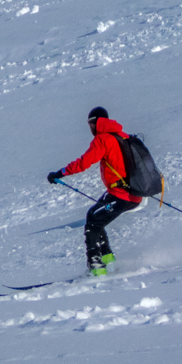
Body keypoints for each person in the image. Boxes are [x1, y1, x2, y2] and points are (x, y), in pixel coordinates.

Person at [47, 106, 142, 275]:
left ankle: (96, 267)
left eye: (91, 123)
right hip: (132, 193)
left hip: (122, 194)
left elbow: (84, 163)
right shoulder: (122, 135)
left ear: (98, 122)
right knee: (96, 218)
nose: (90, 127)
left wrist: (60, 173)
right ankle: (108, 261)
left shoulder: (103, 139)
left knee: (93, 220)